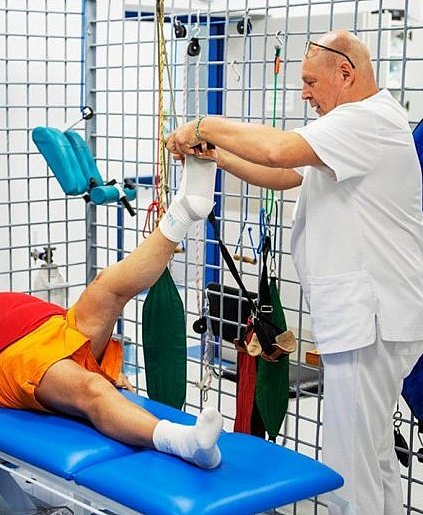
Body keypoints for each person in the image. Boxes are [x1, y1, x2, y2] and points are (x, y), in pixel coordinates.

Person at [166, 30, 423, 514]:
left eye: (310, 81)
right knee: (373, 457)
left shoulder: (365, 121)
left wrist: (203, 125)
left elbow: (278, 151)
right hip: (371, 319)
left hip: (370, 321)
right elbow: (285, 175)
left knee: (350, 468)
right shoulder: (355, 126)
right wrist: (216, 155)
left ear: (345, 73)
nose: (304, 93)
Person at [0, 155, 223, 469]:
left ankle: (184, 211)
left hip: (59, 329)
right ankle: (185, 442)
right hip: (15, 358)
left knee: (107, 285)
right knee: (92, 389)